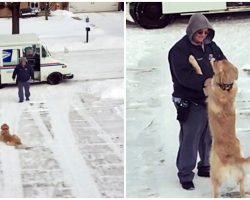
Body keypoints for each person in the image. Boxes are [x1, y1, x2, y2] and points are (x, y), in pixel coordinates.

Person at [168, 13, 226, 190]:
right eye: (199, 33)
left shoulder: (210, 46)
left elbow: (222, 61)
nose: (203, 36)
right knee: (190, 138)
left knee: (208, 136)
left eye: (206, 33)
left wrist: (225, 73)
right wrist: (204, 82)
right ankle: (185, 174)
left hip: (210, 98)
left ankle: (205, 166)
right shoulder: (179, 50)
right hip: (189, 99)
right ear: (191, 31)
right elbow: (183, 76)